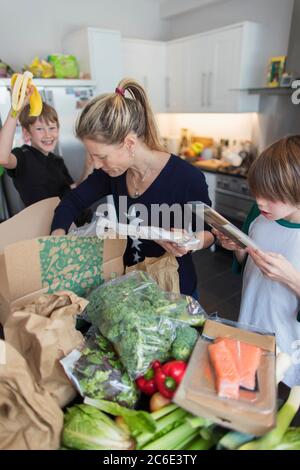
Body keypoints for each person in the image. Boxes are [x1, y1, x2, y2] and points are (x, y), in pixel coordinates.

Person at [51, 78, 214, 297]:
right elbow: (72, 201)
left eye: (101, 156)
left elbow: (209, 232)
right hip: (132, 285)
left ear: (128, 143)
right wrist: (58, 240)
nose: (97, 164)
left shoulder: (187, 177)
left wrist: (191, 241)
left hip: (175, 288)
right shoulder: (111, 174)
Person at [214, 136, 300, 387]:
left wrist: (292, 279)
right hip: (251, 321)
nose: (260, 201)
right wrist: (238, 248)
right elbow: (247, 267)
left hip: (289, 346)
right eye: (257, 192)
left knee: (283, 398)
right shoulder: (260, 213)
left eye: (270, 195)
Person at [0, 96, 92, 208]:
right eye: (39, 129)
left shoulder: (57, 161)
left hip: (74, 222)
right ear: (26, 133)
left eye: (52, 128)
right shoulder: (22, 156)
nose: (48, 135)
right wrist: (15, 110)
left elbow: (72, 191)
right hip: (44, 224)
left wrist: (88, 168)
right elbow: (2, 157)